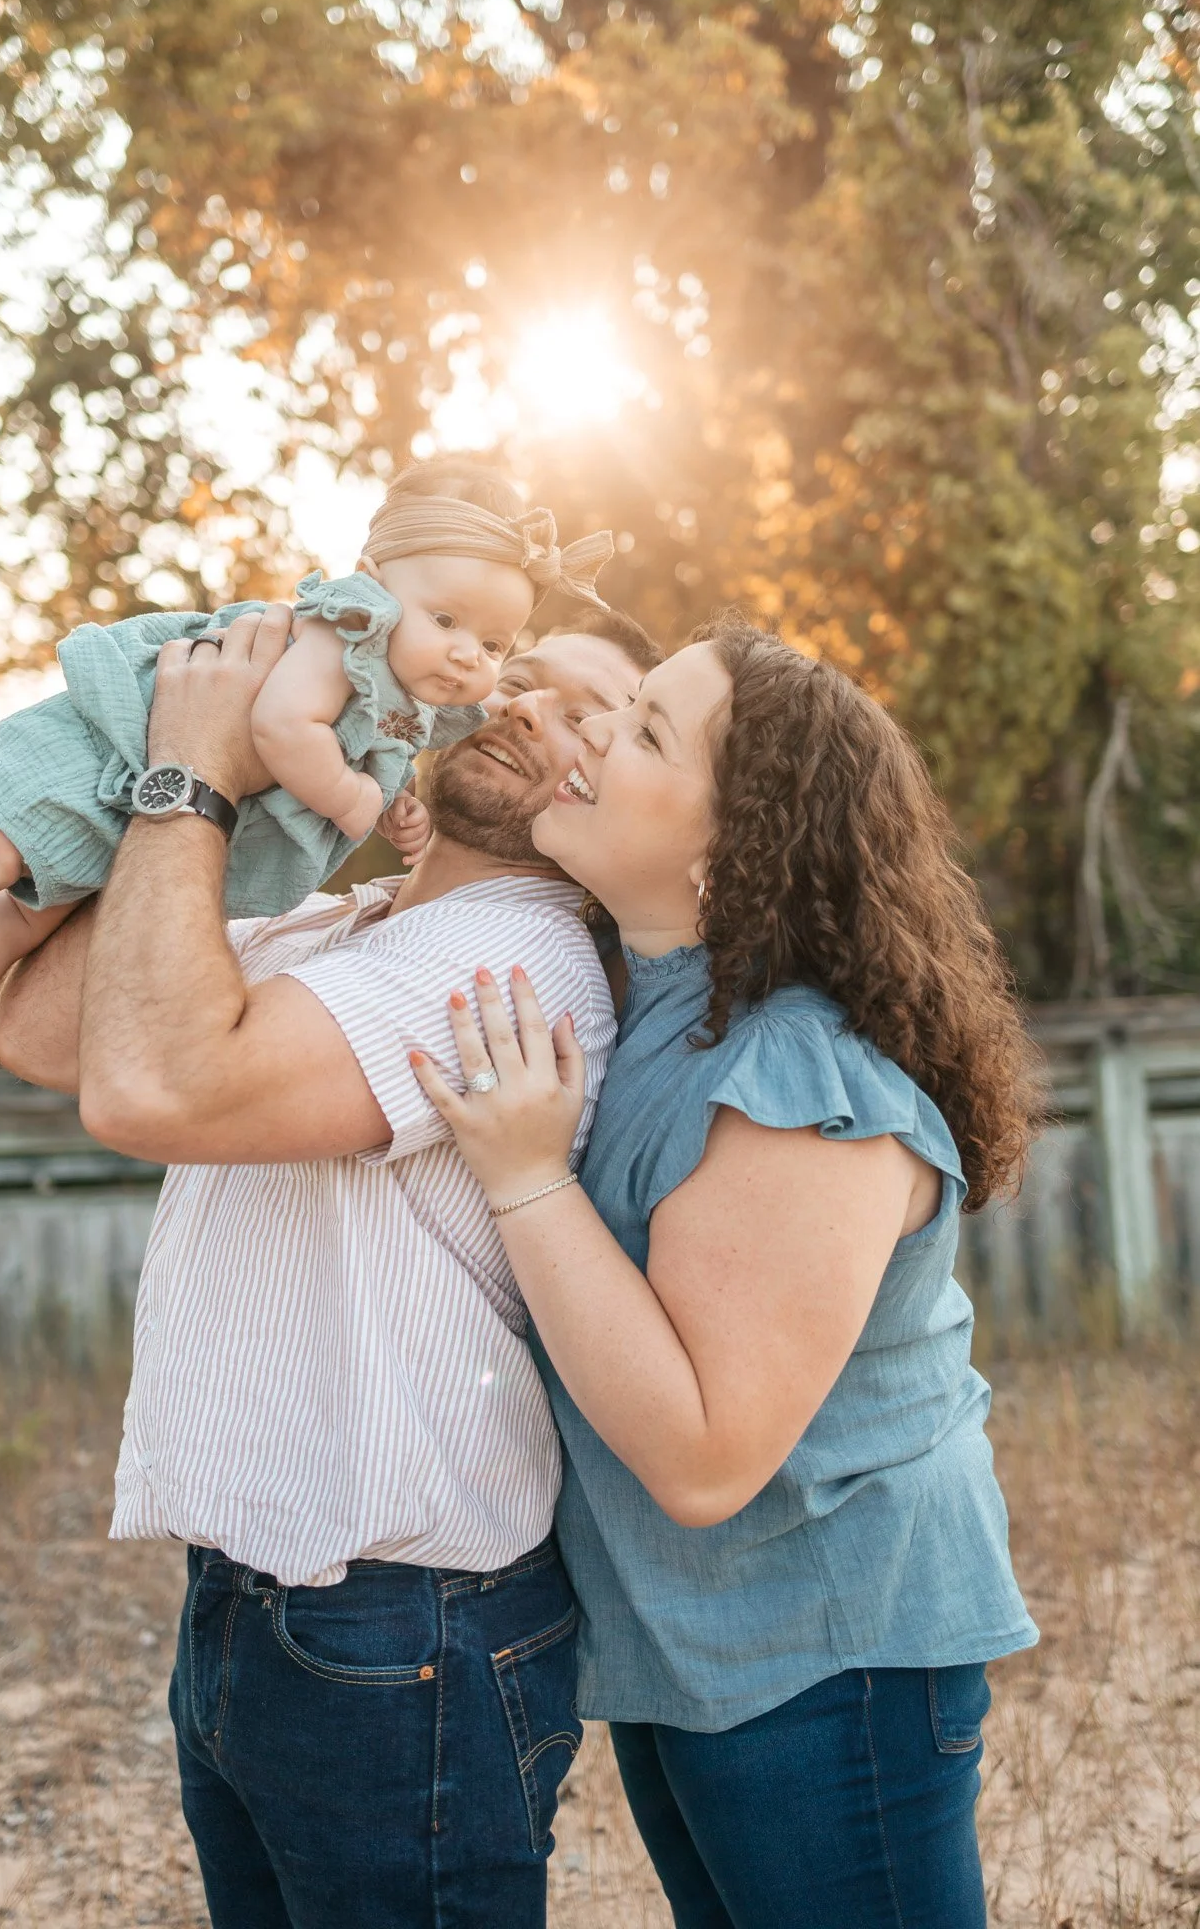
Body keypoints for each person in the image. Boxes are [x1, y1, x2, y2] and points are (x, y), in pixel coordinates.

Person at [0, 559, 663, 1929]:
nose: (524, 704)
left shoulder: (513, 965)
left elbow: (153, 1088)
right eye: (519, 672)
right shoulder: (348, 919)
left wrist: (189, 773)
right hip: (256, 1600)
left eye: (590, 716)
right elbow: (41, 1028)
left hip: (402, 1629)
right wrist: (239, 777)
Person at [411, 614, 1043, 1929]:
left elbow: (706, 1458)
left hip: (831, 1656)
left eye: (641, 731)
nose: (583, 738)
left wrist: (526, 1175)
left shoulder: (797, 1078)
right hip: (694, 1651)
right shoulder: (645, 995)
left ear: (728, 841)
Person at [0, 460, 613, 1101]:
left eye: (491, 642)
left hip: (153, 779)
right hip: (107, 744)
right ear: (373, 586)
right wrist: (350, 800)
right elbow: (282, 728)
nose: (466, 656)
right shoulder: (339, 631)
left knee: (37, 902)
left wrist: (394, 810)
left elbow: (366, 759)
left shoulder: (401, 702)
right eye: (445, 621)